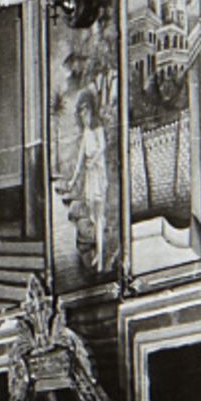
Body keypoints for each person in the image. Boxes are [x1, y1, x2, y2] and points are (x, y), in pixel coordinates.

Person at [67, 92, 111, 275]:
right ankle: (99, 252)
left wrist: (93, 162)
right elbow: (79, 160)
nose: (83, 117)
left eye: (85, 113)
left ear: (91, 111)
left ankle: (101, 257)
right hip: (90, 178)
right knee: (93, 218)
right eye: (80, 114)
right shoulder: (86, 132)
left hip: (98, 174)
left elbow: (102, 147)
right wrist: (73, 179)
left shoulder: (97, 128)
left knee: (98, 218)